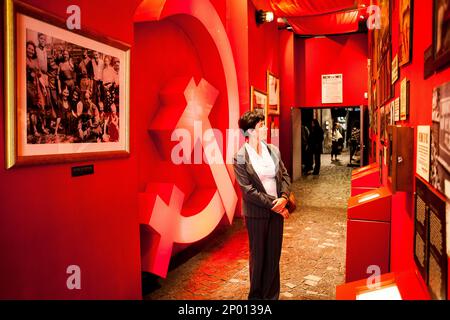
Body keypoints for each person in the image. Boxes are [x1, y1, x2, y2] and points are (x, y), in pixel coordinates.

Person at [233, 110, 292, 300]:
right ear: (250, 131)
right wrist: (275, 205)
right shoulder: (240, 157)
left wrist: (283, 197)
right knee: (258, 258)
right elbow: (247, 190)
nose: (266, 127)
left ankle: (271, 297)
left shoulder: (273, 150)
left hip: (277, 211)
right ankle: (256, 299)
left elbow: (284, 175)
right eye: (261, 125)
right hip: (256, 213)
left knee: (274, 257)